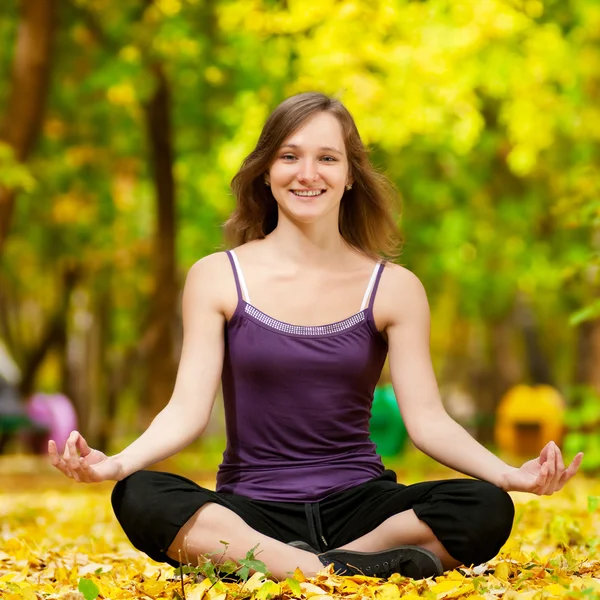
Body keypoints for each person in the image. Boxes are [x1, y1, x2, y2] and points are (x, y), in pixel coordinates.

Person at [48, 92, 583, 582]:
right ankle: (340, 570)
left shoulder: (394, 288)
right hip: (251, 510)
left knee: (484, 508)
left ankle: (291, 568)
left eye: (327, 158)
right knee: (140, 494)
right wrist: (115, 463)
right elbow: (186, 412)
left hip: (364, 508)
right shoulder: (216, 276)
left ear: (351, 175)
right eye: (289, 156)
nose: (308, 173)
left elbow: (428, 422)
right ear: (266, 172)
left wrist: (509, 475)